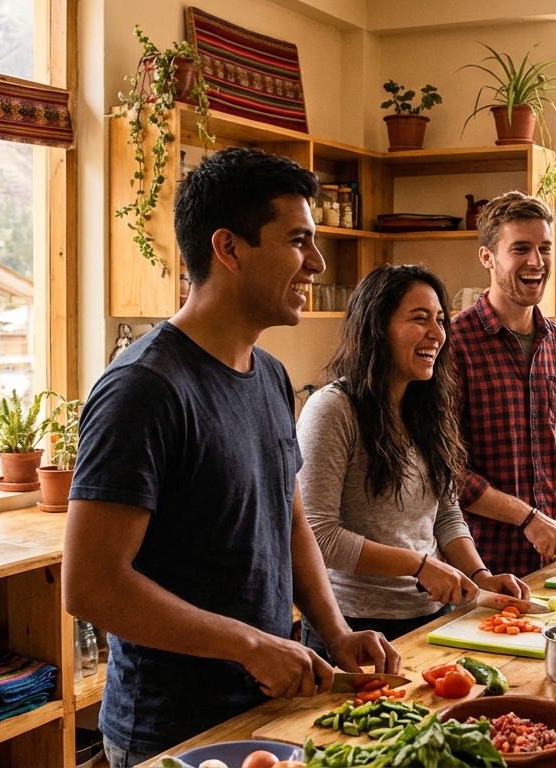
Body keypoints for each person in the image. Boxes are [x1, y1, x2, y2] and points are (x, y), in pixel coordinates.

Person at [63, 148, 399, 767]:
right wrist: (250, 644)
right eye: (299, 241)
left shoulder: (271, 375)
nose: (316, 263)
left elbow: (289, 518)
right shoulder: (144, 388)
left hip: (267, 710)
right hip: (171, 730)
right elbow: (91, 586)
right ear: (229, 248)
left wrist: (335, 630)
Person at [297, 263, 530, 655]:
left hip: (430, 619)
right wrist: (418, 565)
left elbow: (445, 514)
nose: (436, 333)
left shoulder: (426, 409)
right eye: (419, 319)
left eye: (440, 320)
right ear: (376, 328)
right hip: (351, 629)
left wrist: (479, 575)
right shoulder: (333, 409)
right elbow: (319, 536)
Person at [451, 191, 556, 577]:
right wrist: (527, 518)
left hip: (554, 568)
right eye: (521, 248)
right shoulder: (453, 344)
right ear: (487, 257)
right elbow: (447, 471)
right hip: (480, 570)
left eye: (544, 248)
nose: (536, 262)